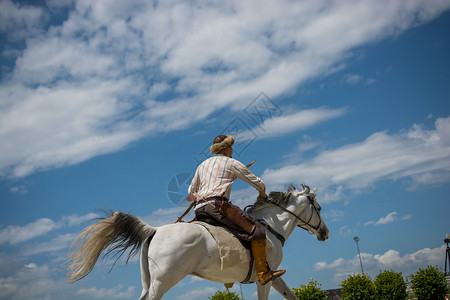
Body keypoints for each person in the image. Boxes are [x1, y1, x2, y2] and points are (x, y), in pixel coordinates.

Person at [188, 134, 285, 285]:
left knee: (230, 231)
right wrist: (262, 195)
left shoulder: (202, 165)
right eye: (231, 147)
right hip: (218, 207)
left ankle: (230, 274)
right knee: (258, 230)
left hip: (200, 210)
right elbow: (258, 183)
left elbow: (191, 191)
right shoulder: (231, 162)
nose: (232, 150)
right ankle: (263, 273)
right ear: (226, 148)